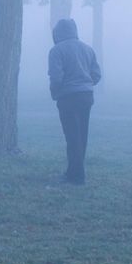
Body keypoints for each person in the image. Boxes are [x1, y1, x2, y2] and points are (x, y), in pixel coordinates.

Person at [48, 19, 101, 185]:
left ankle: (76, 176)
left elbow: (56, 77)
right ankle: (76, 172)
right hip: (86, 96)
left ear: (58, 33)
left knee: (72, 137)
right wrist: (85, 83)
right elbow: (97, 75)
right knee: (81, 135)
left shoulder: (56, 51)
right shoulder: (88, 49)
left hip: (68, 97)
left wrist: (55, 93)